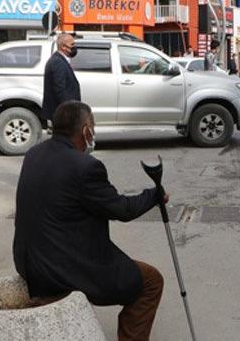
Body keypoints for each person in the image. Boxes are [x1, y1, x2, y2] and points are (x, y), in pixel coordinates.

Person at [13, 101, 166, 340]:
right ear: (86, 130)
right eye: (92, 126)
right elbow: (122, 210)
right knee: (151, 281)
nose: (93, 132)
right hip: (61, 267)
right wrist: (154, 195)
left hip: (28, 261)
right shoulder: (86, 167)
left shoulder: (34, 153)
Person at [42, 33, 81, 122]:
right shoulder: (57, 62)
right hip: (63, 113)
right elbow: (60, 89)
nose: (74, 47)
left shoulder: (59, 60)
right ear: (63, 47)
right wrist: (69, 111)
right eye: (72, 44)